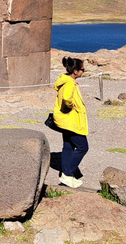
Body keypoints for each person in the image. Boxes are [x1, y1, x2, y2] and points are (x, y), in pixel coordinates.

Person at [53, 56, 89, 188]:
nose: (83, 72)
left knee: (68, 146)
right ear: (75, 71)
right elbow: (67, 98)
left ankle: (66, 175)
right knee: (83, 147)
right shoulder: (69, 83)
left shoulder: (65, 80)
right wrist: (70, 106)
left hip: (65, 121)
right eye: (82, 70)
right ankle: (68, 174)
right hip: (71, 121)